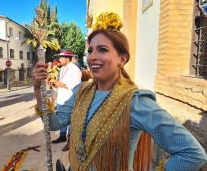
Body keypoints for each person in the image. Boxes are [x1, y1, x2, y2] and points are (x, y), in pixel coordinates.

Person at [33, 12, 207, 171]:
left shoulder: (135, 101)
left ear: (122, 59)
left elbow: (192, 154)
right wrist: (37, 89)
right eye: (90, 50)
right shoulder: (80, 91)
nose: (92, 56)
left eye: (102, 49)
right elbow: (54, 123)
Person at [51, 49, 82, 148]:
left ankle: (71, 142)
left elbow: (76, 86)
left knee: (70, 122)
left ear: (67, 58)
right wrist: (55, 85)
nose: (59, 59)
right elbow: (62, 83)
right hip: (61, 99)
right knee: (61, 120)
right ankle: (62, 136)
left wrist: (60, 84)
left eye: (61, 57)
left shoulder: (75, 69)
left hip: (70, 100)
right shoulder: (63, 68)